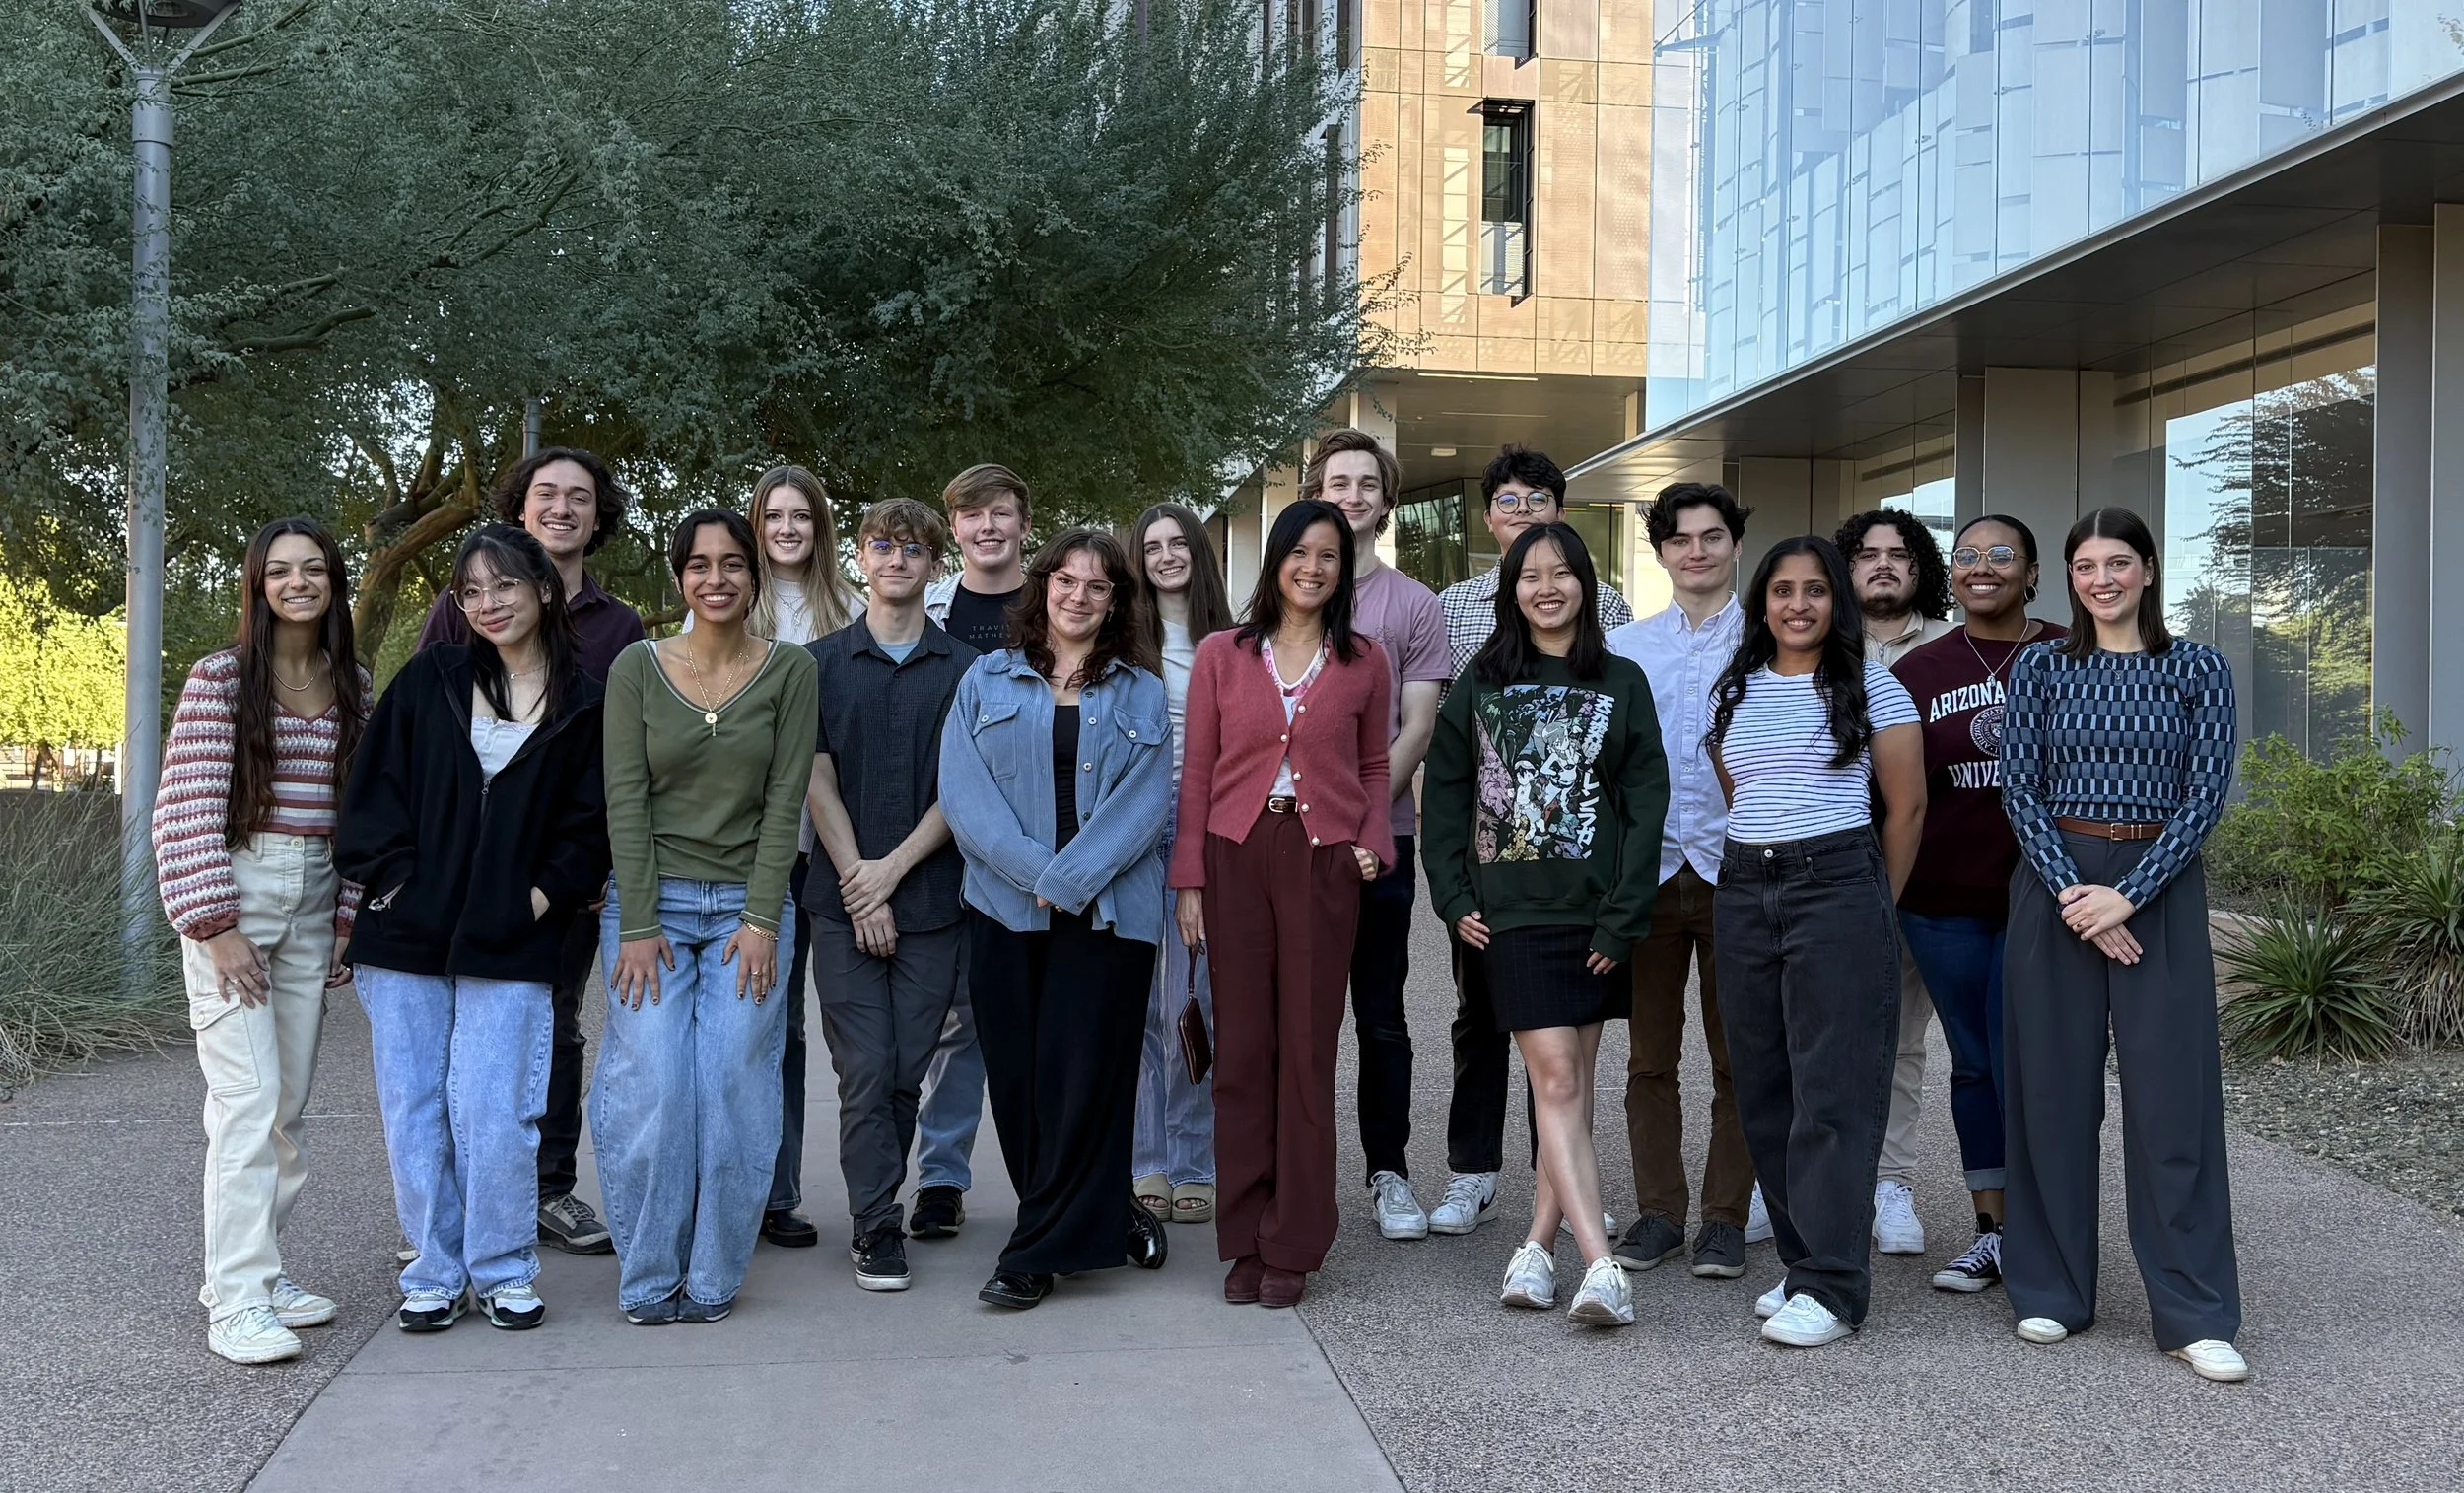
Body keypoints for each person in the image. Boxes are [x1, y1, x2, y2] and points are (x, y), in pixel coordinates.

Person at [338, 525, 610, 1333]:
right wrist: (395, 883)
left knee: (496, 1108)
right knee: (416, 1107)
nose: (489, 604)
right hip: (405, 937)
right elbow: (371, 793)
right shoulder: (432, 678)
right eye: (472, 592)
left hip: (515, 939)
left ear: (545, 590)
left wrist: (538, 897)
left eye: (505, 586)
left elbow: (591, 824)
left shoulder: (585, 701)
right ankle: (434, 1267)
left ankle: (502, 1267)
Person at [2000, 507, 2247, 1383]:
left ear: (2147, 568)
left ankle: (2194, 1308)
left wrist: (2128, 897)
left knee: (2173, 1102)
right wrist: (2078, 897)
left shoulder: (2199, 669)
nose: (2101, 579)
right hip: (2056, 886)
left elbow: (2205, 795)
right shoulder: (2039, 668)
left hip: (2158, 890)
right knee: (2051, 1097)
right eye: (2084, 566)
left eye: (2118, 563)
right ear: (2068, 578)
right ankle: (2049, 1288)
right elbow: (2018, 787)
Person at [1423, 523, 1668, 1327]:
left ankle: (1535, 1244)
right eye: (1530, 576)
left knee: (1569, 1093)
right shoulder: (1479, 685)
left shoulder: (1622, 681)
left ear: (1586, 586)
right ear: (1511, 590)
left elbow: (1644, 806)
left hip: (1597, 920)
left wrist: (1624, 916)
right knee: (1556, 1080)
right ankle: (1602, 1265)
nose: (1547, 587)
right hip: (1514, 920)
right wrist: (1456, 899)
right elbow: (1447, 798)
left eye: (1563, 573)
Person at [154, 516, 370, 1365]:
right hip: (237, 889)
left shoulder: (352, 682)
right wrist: (215, 926)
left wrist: (345, 917)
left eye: (313, 569)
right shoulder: (220, 679)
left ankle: (256, 1266)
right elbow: (184, 812)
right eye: (279, 571)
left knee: (285, 1107)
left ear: (333, 582)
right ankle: (237, 1300)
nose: (297, 583)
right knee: (245, 1106)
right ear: (257, 583)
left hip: (314, 894)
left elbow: (358, 819)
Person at [418, 446, 645, 1257]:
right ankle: (448, 1205)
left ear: (596, 516)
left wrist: (594, 861)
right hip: (465, 864)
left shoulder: (620, 628)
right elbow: (422, 733)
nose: (561, 508)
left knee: (556, 1025)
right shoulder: (462, 603)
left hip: (561, 869)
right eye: (545, 494)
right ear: (522, 508)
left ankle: (547, 1189)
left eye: (579, 497)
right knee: (458, 1028)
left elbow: (623, 754)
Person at [593, 509, 817, 1324]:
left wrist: (763, 918)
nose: (715, 579)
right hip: (650, 906)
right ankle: (650, 1272)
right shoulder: (636, 669)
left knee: (730, 1079)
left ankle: (715, 1272)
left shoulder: (790, 670)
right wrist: (641, 922)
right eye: (699, 565)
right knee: (654, 1077)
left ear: (753, 577)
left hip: (748, 909)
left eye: (731, 564)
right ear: (679, 576)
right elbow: (626, 797)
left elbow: (785, 796)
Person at [941, 528, 1175, 1308]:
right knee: (1020, 1082)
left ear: (1116, 603)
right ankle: (1104, 1209)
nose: (1079, 596)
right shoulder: (985, 680)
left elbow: (1146, 804)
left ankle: (1033, 1252)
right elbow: (965, 797)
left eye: (1098, 586)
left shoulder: (1140, 690)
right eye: (1066, 581)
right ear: (1043, 588)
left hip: (1108, 914)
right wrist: (1037, 876)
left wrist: (1069, 878)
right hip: (1005, 908)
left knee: (1085, 1079)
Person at [1173, 498, 1394, 1309]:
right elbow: (1197, 773)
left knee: (1306, 1050)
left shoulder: (1364, 659)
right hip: (1235, 855)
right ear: (1274, 561)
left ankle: (1293, 1239)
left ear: (1343, 569)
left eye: (1329, 555)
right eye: (1299, 552)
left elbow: (1376, 765)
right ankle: (1244, 1235)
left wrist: (1374, 838)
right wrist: (1188, 879)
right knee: (1243, 1053)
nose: (1313, 566)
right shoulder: (1221, 655)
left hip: (1322, 859)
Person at [1708, 535, 1925, 1349]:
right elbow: (1743, 789)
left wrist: (1875, 907)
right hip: (1744, 883)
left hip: (1837, 881)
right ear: (1761, 601)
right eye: (1782, 590)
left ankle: (1835, 1287)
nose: (1797, 604)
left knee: (1833, 1088)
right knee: (1765, 1083)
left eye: (1815, 591)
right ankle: (1803, 1264)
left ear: (1837, 600)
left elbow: (1905, 810)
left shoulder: (1874, 686)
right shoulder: (1735, 690)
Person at [1431, 446, 1635, 1236]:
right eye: (1509, 501)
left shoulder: (1606, 605)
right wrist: (1457, 875)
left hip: (1577, 864)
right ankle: (1472, 1170)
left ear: (1562, 510)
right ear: (1490, 517)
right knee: (1480, 1014)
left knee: (1562, 1049)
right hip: (1494, 864)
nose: (1524, 512)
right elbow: (1453, 746)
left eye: (1539, 499)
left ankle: (1561, 1176)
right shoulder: (1454, 606)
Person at [1890, 516, 2067, 1295]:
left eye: (2002, 556)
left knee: (2039, 1064)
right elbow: (1892, 794)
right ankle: (1992, 1229)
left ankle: (2050, 1228)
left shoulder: (2074, 654)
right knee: (1975, 1063)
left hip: (2046, 899)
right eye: (1966, 557)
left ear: (2032, 573)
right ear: (1951, 577)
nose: (1982, 567)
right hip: (1941, 903)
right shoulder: (1917, 670)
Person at [803, 499, 975, 1293]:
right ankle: (876, 1225)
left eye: (914, 548)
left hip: (934, 901)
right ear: (861, 560)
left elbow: (962, 790)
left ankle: (883, 1197)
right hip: (840, 904)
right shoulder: (817, 664)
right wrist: (860, 885)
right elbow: (815, 774)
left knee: (907, 1067)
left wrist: (892, 874)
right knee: (866, 1067)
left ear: (935, 565)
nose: (897, 558)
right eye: (883, 544)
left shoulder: (968, 669)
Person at [1603, 481, 1763, 1281]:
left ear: (1735, 542)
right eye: (1680, 539)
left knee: (1741, 1058)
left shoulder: (1771, 641)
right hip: (1652, 873)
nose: (1696, 551)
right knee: (1649, 1060)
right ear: (1661, 550)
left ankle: (1727, 1218)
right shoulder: (1627, 648)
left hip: (1742, 871)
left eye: (1711, 536)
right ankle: (1660, 1212)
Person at [1309, 429, 1452, 1241]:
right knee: (1302, 1016)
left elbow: (1418, 725)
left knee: (1381, 1015)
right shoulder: (1287, 593)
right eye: (1339, 481)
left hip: (1379, 846)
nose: (1353, 494)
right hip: (1293, 846)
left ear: (1387, 503)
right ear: (1316, 493)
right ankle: (1299, 1173)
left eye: (1368, 483)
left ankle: (1388, 1172)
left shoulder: (1413, 606)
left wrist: (1362, 823)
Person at [724, 466, 859, 1251]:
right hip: (753, 848)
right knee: (761, 1022)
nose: (785, 528)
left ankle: (783, 1191)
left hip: (831, 848)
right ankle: (752, 1187)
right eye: (772, 515)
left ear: (819, 527)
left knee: (820, 1030)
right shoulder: (733, 603)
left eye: (800, 516)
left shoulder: (848, 609)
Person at [911, 462, 1032, 1237]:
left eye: (1001, 513)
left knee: (1031, 1021)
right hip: (942, 836)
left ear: (1024, 521)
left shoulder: (1050, 599)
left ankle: (1049, 1174)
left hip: (1033, 846)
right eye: (971, 515)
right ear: (953, 528)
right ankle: (942, 1178)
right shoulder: (928, 606)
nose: (987, 526)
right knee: (956, 1022)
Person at [1834, 508, 1955, 1257]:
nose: (1883, 565)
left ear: (1921, 569)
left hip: (1934, 876)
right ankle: (1798, 1179)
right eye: (1868, 554)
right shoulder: (1814, 644)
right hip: (1832, 874)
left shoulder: (1952, 648)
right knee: (1818, 1032)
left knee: (1904, 1039)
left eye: (1899, 555)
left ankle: (1892, 1182)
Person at [1129, 502, 1235, 1226]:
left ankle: (1194, 1157)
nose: (1166, 555)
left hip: (1205, 830)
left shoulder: (1230, 642)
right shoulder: (1122, 639)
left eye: (1178, 543)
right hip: (1133, 832)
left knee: (1191, 1005)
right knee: (1140, 1007)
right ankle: (1147, 1160)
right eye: (1152, 546)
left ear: (1199, 552)